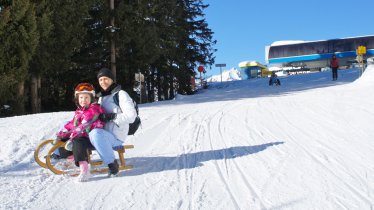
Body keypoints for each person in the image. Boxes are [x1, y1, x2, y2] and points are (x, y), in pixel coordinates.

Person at [89, 68, 137, 176]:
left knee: (95, 133)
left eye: (106, 79)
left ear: (111, 80)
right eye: (100, 80)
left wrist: (112, 117)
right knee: (70, 126)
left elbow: (131, 116)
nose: (103, 82)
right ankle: (64, 154)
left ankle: (112, 163)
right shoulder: (100, 97)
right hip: (102, 135)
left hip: (116, 138)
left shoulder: (120, 94)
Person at [54, 82, 105, 182]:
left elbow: (84, 125)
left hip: (91, 138)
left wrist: (72, 138)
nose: (83, 100)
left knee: (77, 142)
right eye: (81, 98)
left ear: (91, 98)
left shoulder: (93, 110)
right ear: (77, 99)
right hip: (80, 136)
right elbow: (72, 125)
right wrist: (62, 134)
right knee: (64, 140)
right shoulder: (79, 111)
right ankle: (72, 157)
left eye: (86, 98)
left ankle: (85, 170)